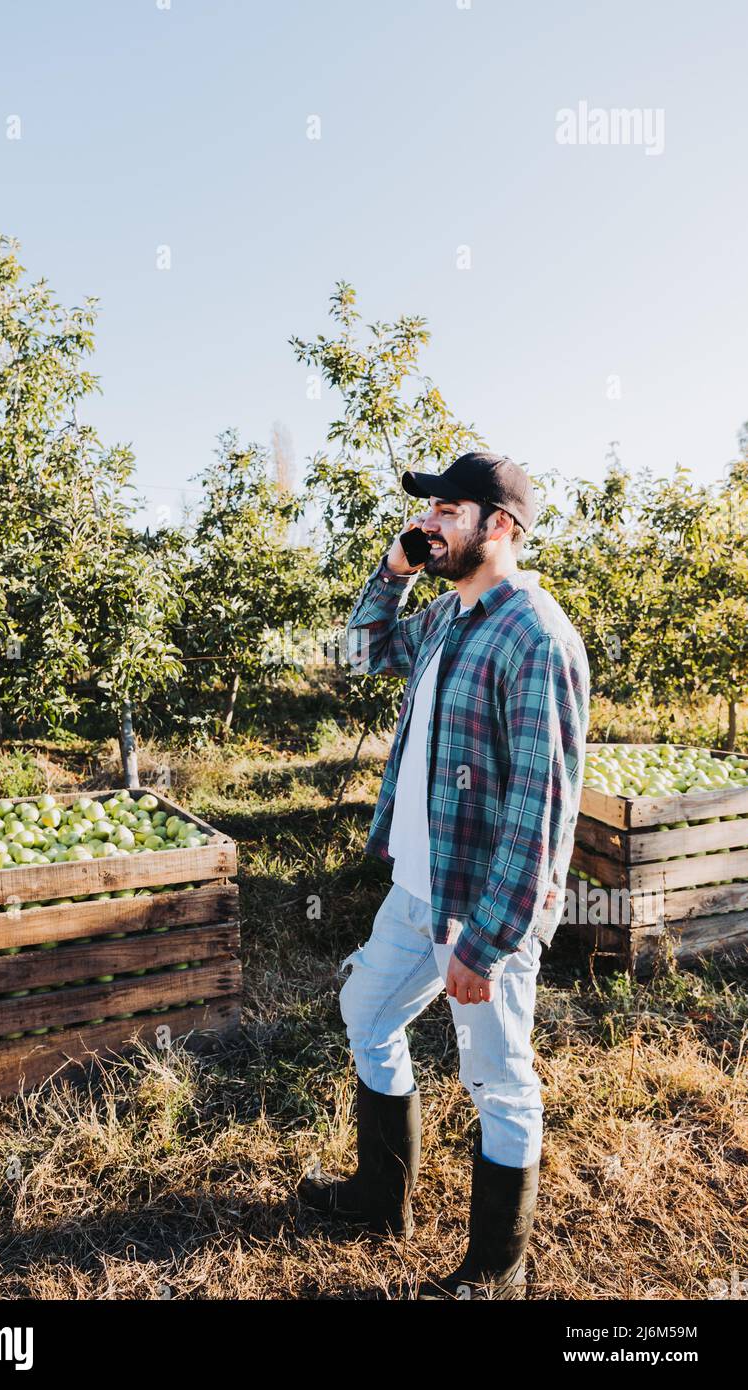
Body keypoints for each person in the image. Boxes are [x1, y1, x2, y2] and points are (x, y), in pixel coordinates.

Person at [297, 451, 591, 1300]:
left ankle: (497, 1268)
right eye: (429, 513)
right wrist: (391, 570)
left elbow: (542, 810)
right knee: (366, 1010)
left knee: (497, 1077)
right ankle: (378, 1198)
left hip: (481, 906)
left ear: (501, 527)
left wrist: (488, 943)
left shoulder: (535, 637)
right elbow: (359, 655)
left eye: (449, 512)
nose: (430, 523)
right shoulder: (449, 617)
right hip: (420, 886)